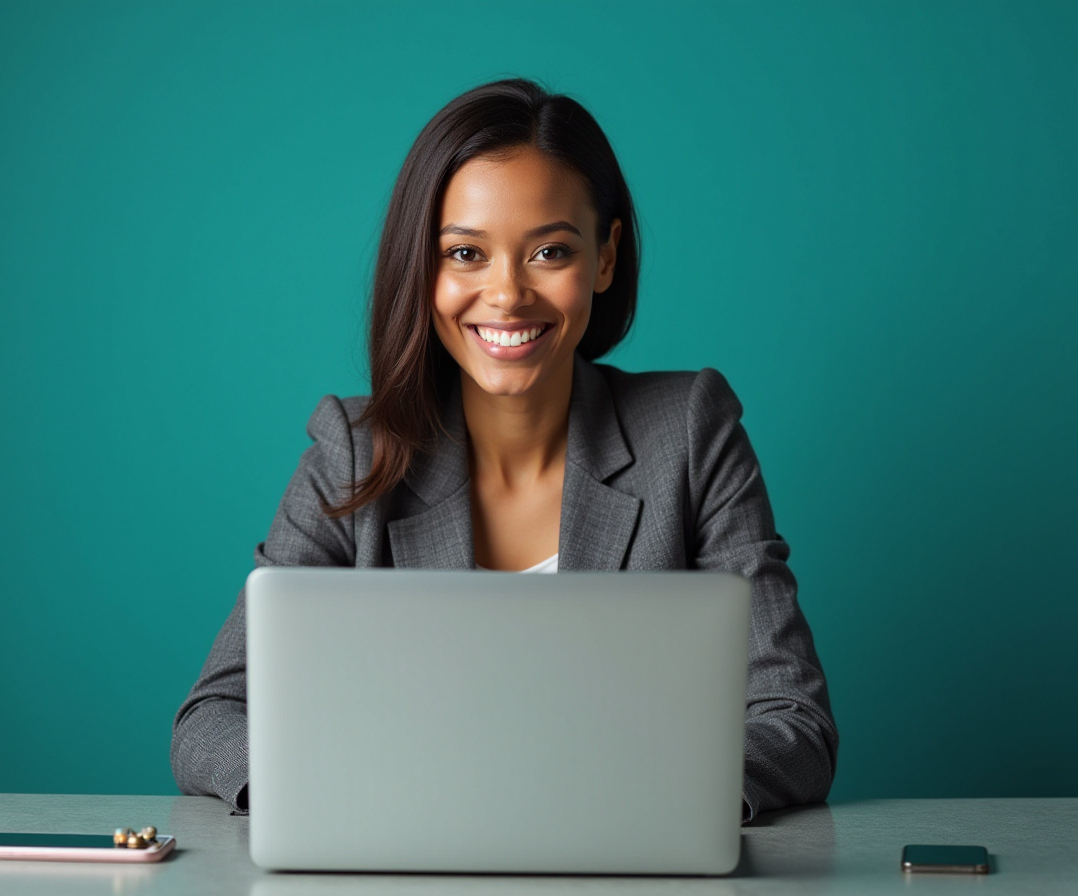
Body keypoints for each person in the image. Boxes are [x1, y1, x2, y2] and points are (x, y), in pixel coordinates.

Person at [171, 77, 837, 823]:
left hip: (627, 859)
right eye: (465, 254)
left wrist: (656, 798)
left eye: (549, 250)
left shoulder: (689, 431)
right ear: (423, 268)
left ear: (607, 257)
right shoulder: (355, 452)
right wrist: (332, 795)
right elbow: (213, 717)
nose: (507, 295)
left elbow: (793, 719)